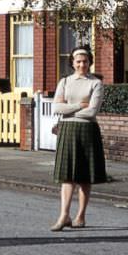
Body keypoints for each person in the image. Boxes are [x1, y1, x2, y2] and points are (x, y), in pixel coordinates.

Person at [50, 45, 106, 231]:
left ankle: (80, 215)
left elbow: (92, 111)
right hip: (67, 130)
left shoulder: (96, 83)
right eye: (78, 61)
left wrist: (71, 108)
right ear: (73, 63)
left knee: (84, 178)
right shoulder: (65, 82)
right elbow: (57, 108)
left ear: (90, 62)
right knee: (67, 176)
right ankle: (64, 215)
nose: (82, 64)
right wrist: (78, 106)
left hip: (87, 131)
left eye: (85, 61)